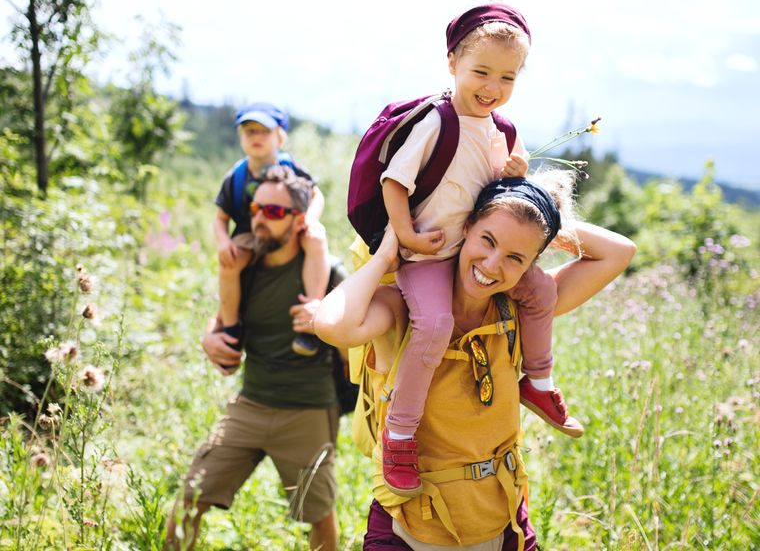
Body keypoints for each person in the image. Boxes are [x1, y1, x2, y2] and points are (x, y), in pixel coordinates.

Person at [315, 171, 637, 550]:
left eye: (516, 257)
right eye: (487, 239)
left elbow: (620, 252)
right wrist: (386, 254)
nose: (492, 264)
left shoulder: (520, 310)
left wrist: (538, 213)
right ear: (464, 227)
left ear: (530, 264)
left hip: (503, 525)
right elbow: (332, 325)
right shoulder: (403, 308)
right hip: (408, 528)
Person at [364, 2, 579, 497]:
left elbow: (504, 187)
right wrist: (408, 238)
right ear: (452, 64)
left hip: (475, 254)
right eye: (480, 71)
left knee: (541, 290)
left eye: (507, 77)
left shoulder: (501, 129)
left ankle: (538, 382)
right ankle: (400, 435)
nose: (492, 87)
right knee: (435, 324)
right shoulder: (437, 123)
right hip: (428, 256)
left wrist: (516, 171)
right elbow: (394, 182)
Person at [166, 167, 345, 551]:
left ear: (299, 221)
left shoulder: (328, 272)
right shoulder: (246, 267)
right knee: (189, 499)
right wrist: (208, 340)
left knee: (319, 514)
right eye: (256, 208)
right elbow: (221, 321)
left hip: (308, 410)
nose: (260, 218)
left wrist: (327, 325)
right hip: (250, 405)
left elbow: (356, 338)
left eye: (274, 212)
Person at [213, 102, 329, 358]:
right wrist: (223, 242)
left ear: (280, 137)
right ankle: (231, 328)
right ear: (240, 137)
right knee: (229, 264)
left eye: (264, 131)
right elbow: (220, 218)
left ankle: (310, 316)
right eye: (249, 131)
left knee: (316, 239)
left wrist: (310, 219)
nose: (256, 137)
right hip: (249, 232)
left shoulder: (292, 167)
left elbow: (316, 195)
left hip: (289, 226)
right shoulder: (236, 176)